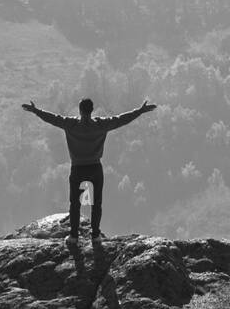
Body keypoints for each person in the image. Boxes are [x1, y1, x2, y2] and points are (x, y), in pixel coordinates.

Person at [21, 97, 157, 248]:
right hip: (95, 168)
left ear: (80, 110)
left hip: (78, 168)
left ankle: (73, 236)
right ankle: (96, 236)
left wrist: (35, 111)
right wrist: (140, 111)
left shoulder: (70, 124)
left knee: (75, 204)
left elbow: (52, 118)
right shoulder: (101, 124)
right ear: (91, 110)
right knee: (96, 203)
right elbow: (121, 119)